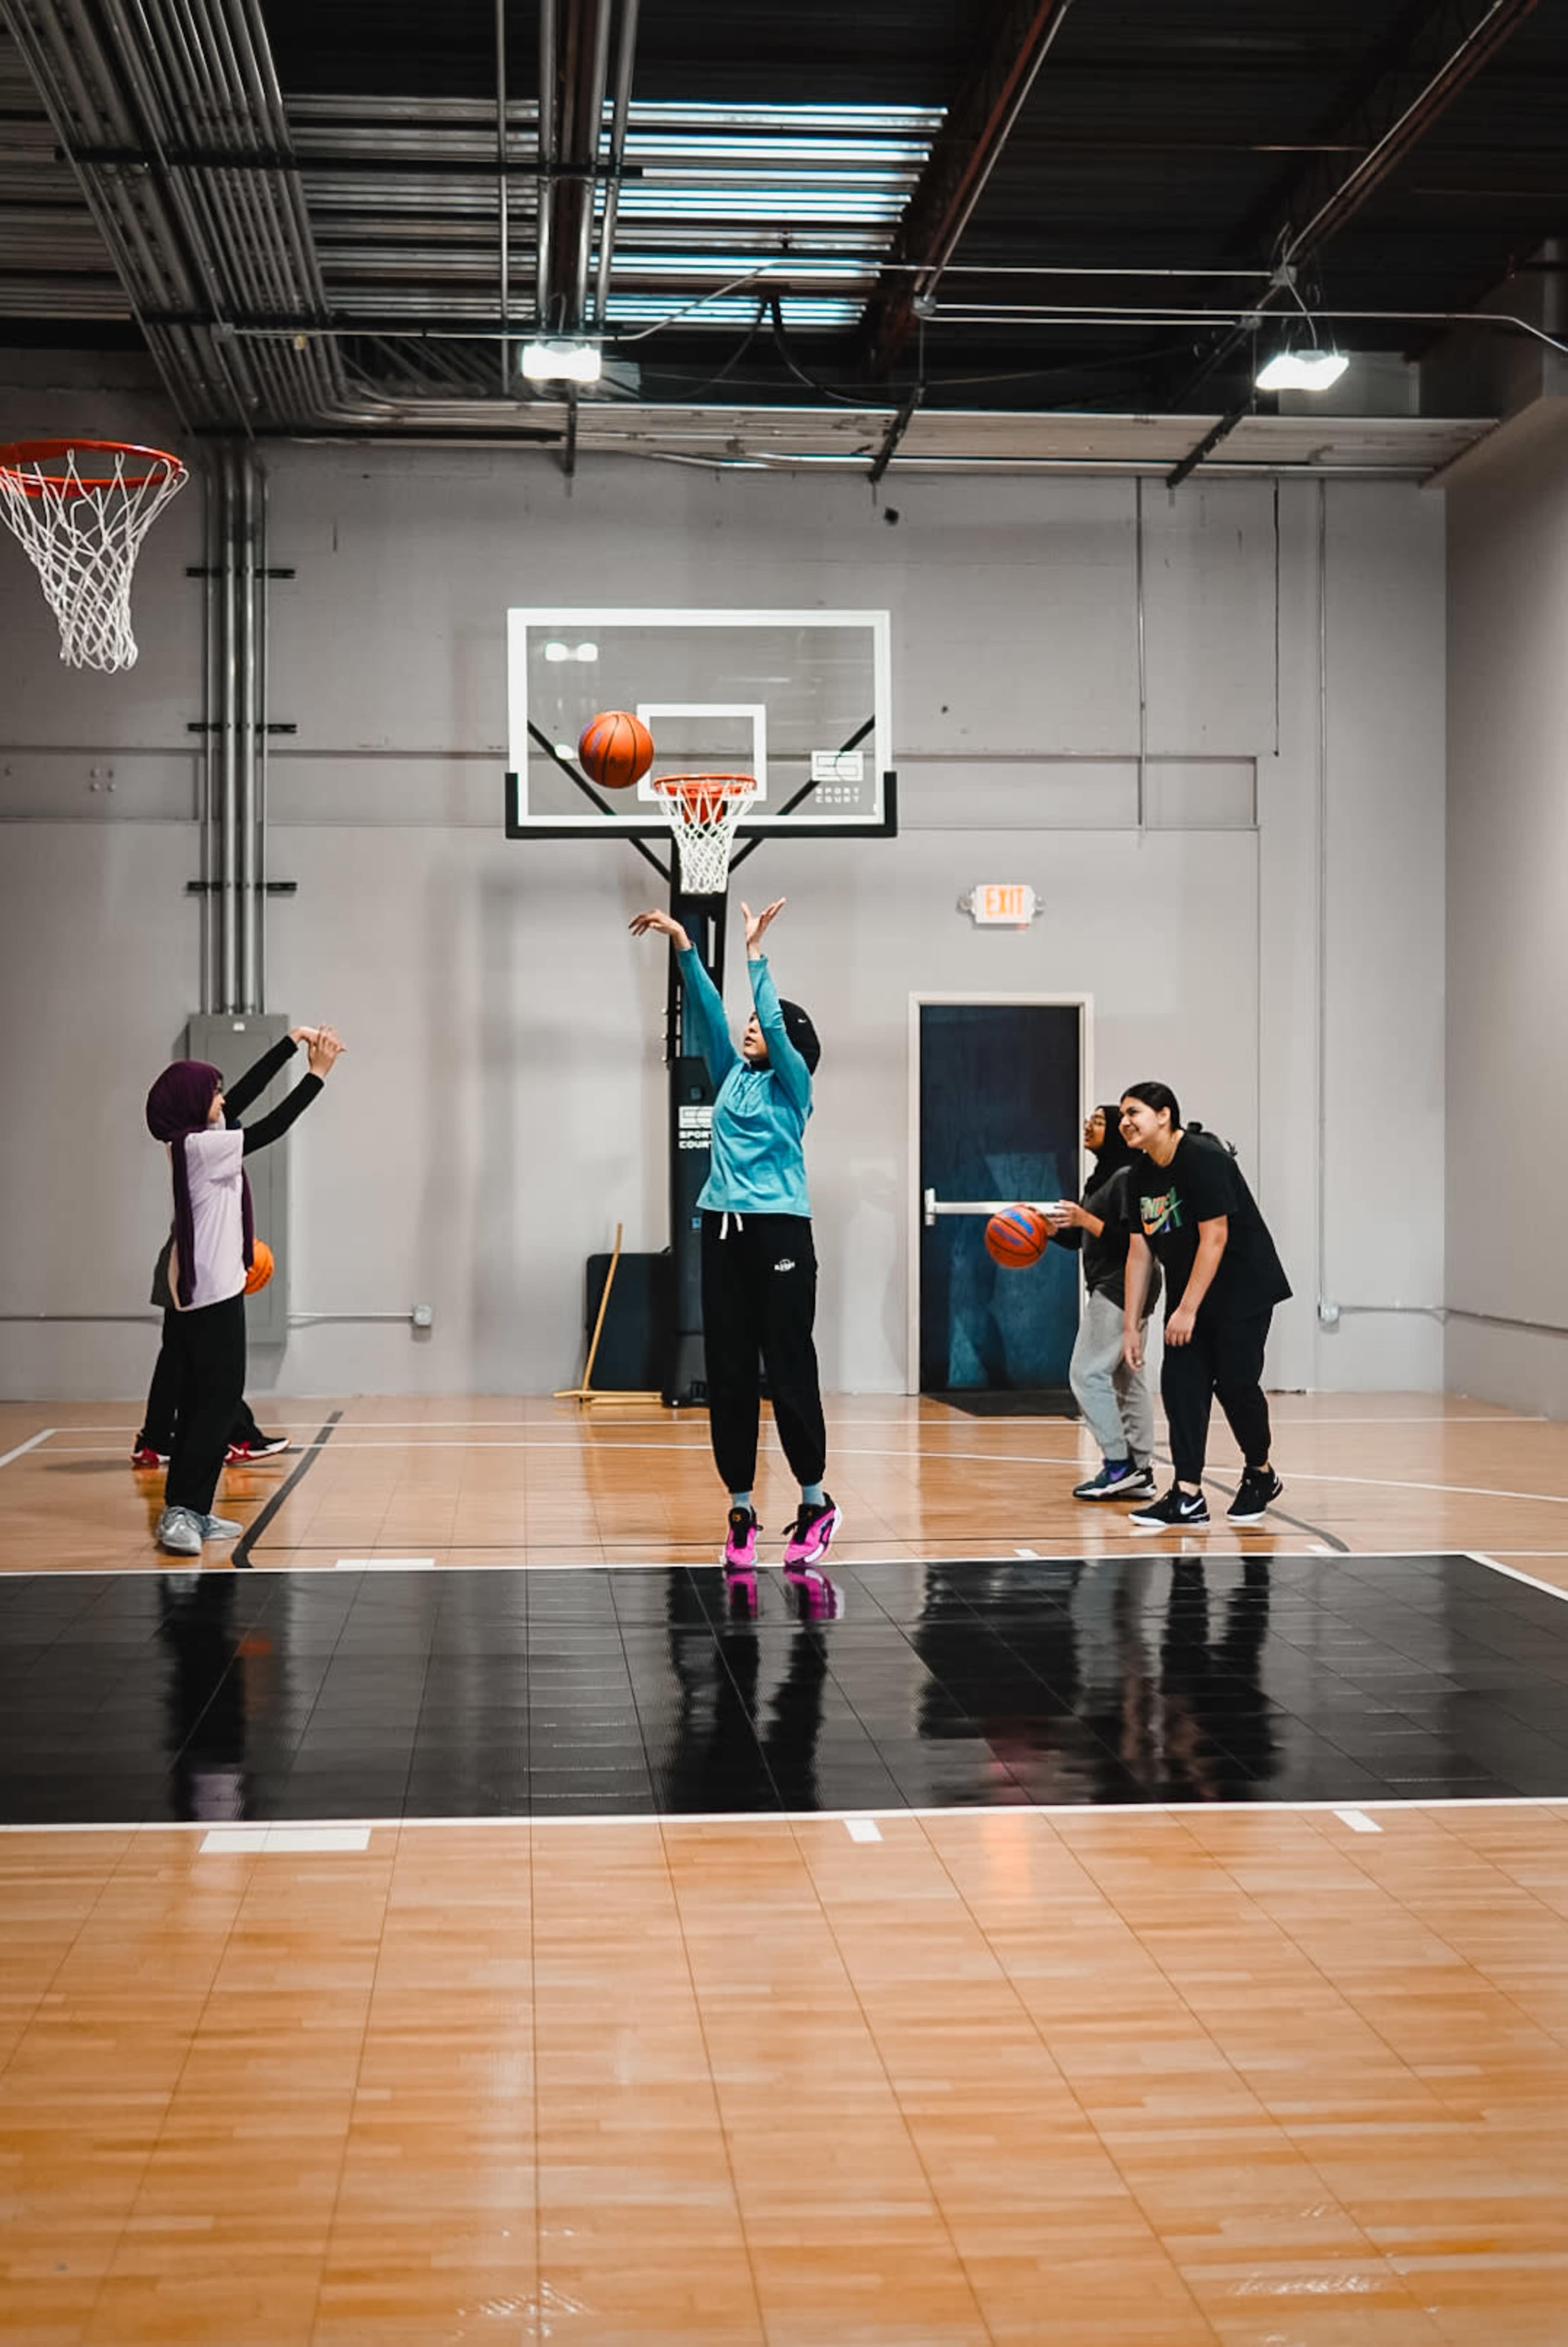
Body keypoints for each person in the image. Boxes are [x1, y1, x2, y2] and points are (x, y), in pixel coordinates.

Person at [628, 897, 837, 1574]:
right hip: (721, 1232)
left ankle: (814, 1500)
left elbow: (773, 1023)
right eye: (752, 1021)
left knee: (787, 1363)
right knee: (729, 1371)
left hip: (780, 1233)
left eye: (764, 1025)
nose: (752, 1026)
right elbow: (713, 1016)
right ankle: (742, 1509)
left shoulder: (793, 1086)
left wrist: (756, 954)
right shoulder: (732, 1081)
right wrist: (686, 945)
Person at [143, 1025, 343, 1557]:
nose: (221, 1098)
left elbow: (243, 1099)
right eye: (212, 1092)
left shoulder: (194, 1141)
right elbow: (270, 1126)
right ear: (192, 1105)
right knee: (211, 1405)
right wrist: (317, 1073)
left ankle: (192, 1508)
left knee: (211, 1402)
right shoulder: (201, 1148)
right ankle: (182, 1512)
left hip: (211, 1294)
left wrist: (286, 1044)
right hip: (208, 1299)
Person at [1116, 1081, 1290, 1532]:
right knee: (1181, 1386)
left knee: (1234, 1384)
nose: (1125, 1122)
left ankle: (1261, 1472)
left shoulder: (1203, 1159)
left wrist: (1188, 1309)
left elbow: (1216, 1237)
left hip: (1241, 1289)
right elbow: (1139, 1253)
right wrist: (1131, 1326)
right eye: (1122, 1116)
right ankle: (1188, 1495)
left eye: (1134, 1112)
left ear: (1165, 1115)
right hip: (1189, 1292)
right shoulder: (1139, 1175)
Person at [1047, 1105, 1161, 1502]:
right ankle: (1141, 1470)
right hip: (1121, 1284)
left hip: (1123, 1284)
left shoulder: (1129, 1176)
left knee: (1086, 1373)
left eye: (1098, 1121)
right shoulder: (1104, 1178)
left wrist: (1085, 1220)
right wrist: (1044, 1229)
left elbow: (1135, 1242)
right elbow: (1088, 1238)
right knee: (1126, 1379)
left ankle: (1119, 1464)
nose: (1088, 1126)